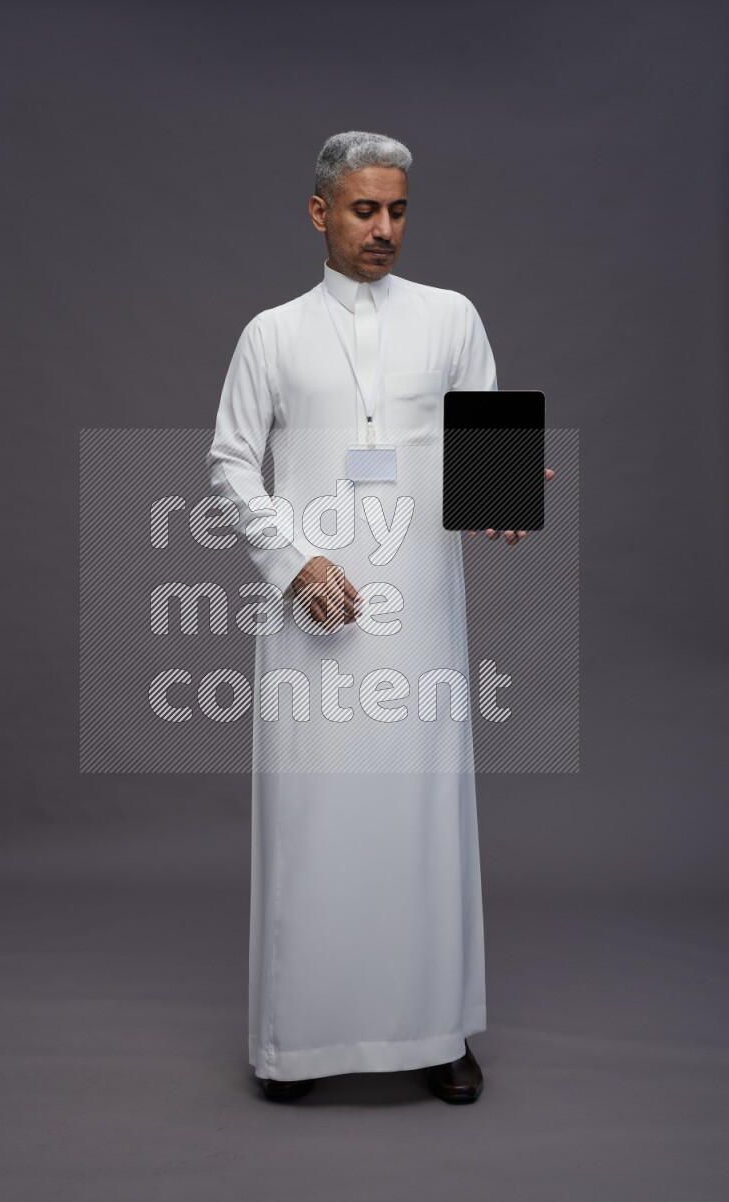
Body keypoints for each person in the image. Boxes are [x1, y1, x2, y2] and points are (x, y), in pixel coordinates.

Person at [206, 130, 551, 1104]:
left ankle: (438, 1029)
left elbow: (483, 452)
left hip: (418, 613)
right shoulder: (270, 334)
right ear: (319, 212)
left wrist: (499, 495)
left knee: (422, 820)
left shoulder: (451, 318)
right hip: (311, 615)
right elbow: (230, 463)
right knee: (312, 824)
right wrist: (291, 560)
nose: (384, 229)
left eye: (397, 210)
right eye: (364, 210)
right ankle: (295, 1043)